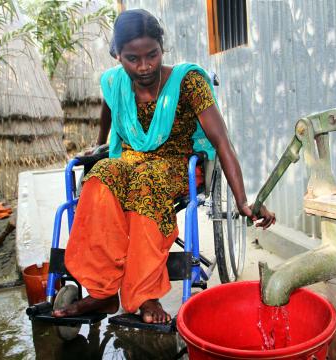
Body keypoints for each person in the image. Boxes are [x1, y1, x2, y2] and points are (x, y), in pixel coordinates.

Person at [52, 9, 276, 324]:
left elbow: (222, 141)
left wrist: (242, 201)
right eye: (132, 58)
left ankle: (144, 295)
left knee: (146, 181)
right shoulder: (115, 82)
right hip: (128, 162)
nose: (144, 66)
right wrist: (100, 141)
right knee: (98, 178)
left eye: (152, 55)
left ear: (162, 48)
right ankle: (101, 292)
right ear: (118, 55)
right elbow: (109, 106)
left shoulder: (188, 81)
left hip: (175, 164)